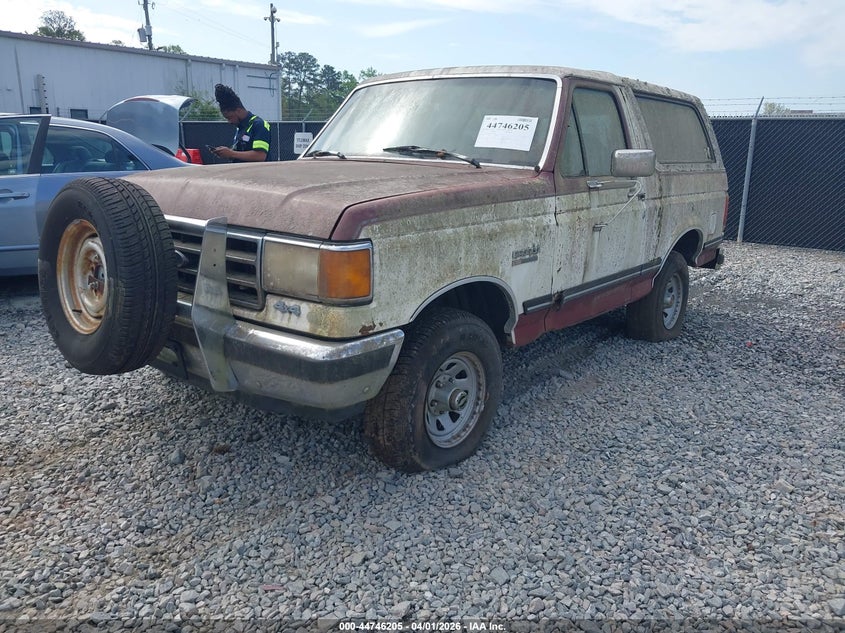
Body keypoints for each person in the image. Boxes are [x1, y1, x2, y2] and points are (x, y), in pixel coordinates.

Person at [211, 84, 271, 162]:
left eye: (230, 117)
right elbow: (240, 155)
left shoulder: (259, 125)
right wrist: (226, 153)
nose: (229, 122)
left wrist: (231, 153)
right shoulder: (240, 128)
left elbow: (260, 156)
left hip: (258, 173)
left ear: (238, 110)